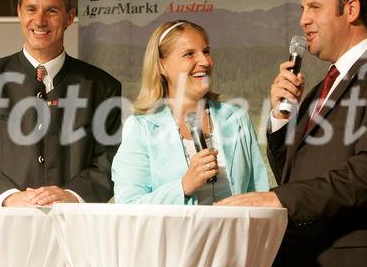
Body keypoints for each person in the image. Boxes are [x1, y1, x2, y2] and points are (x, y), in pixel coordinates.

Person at [218, 0, 367, 266]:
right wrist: (282, 117)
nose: (303, 20)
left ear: (351, 9)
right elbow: (292, 173)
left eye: (314, 7)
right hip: (307, 255)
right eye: (303, 9)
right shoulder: (318, 91)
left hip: (357, 256)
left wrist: (279, 199)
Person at [0, 0, 121, 207]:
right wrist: (11, 197)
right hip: (7, 229)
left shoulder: (103, 87)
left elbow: (109, 162)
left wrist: (70, 195)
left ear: (69, 17)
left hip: (75, 231)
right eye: (31, 9)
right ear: (20, 13)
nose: (39, 21)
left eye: (51, 10)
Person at [111, 20, 269, 204]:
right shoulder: (141, 129)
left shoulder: (237, 118)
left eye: (206, 51)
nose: (204, 61)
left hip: (233, 233)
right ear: (161, 66)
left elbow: (259, 194)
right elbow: (129, 206)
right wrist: (183, 187)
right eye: (189, 54)